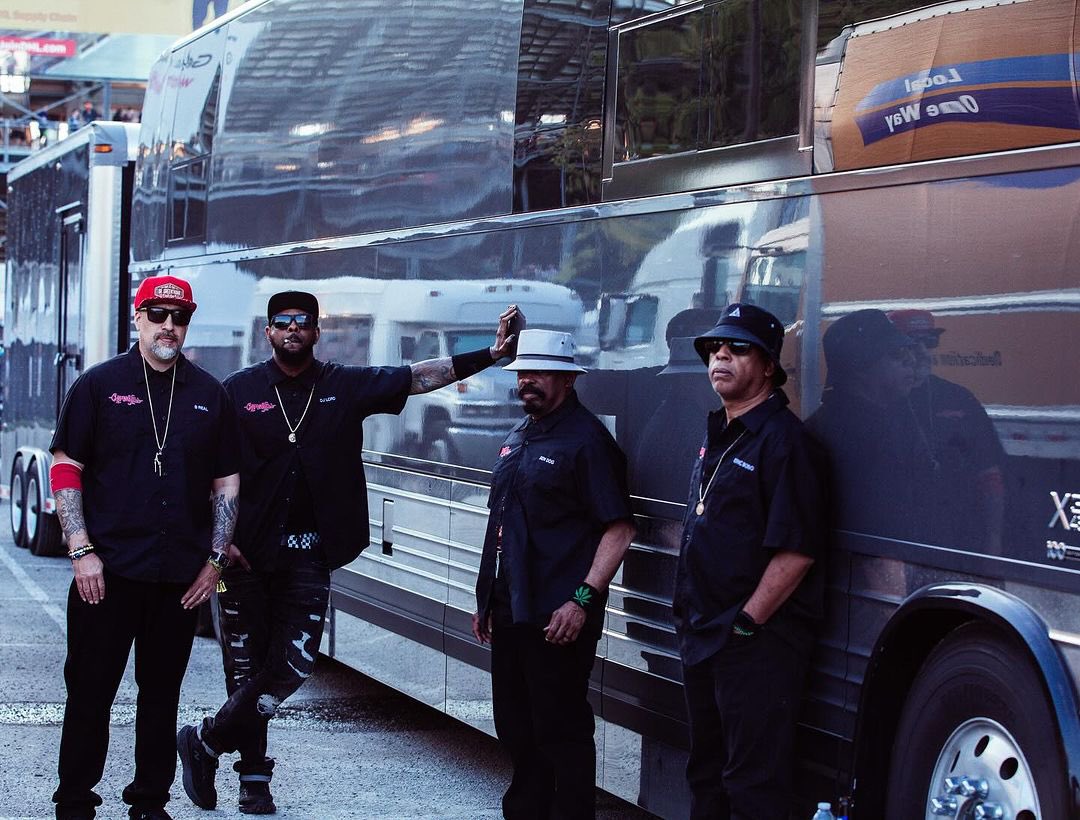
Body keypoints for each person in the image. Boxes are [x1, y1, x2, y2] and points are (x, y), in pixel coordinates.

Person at [176, 291, 521, 815]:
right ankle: (253, 778)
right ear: (268, 332)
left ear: (317, 332)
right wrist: (218, 539)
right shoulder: (238, 391)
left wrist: (490, 356)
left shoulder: (343, 385)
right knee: (244, 670)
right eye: (282, 322)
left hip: (309, 555)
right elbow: (204, 467)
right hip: (244, 558)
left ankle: (204, 740)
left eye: (303, 322)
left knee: (292, 663)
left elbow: (418, 376)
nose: (292, 328)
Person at [49, 275, 241, 820]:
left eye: (179, 318)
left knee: (161, 698)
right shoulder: (99, 385)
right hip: (105, 572)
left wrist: (215, 561)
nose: (169, 326)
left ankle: (150, 802)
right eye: (158, 315)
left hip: (179, 576)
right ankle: (75, 801)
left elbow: (226, 484)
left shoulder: (209, 394)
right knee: (90, 693)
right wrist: (80, 549)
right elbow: (66, 467)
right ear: (138, 318)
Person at [472, 329, 637, 820]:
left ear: (567, 379)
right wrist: (486, 600)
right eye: (523, 372)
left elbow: (620, 528)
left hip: (557, 614)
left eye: (539, 373)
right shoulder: (521, 433)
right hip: (510, 608)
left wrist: (582, 599)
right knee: (515, 724)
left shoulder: (587, 441)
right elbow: (501, 523)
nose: (528, 382)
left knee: (559, 728)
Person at [674, 303, 827, 820]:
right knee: (706, 771)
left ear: (767, 366)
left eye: (738, 347)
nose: (721, 354)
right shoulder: (718, 431)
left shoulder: (787, 441)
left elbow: (797, 550)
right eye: (714, 348)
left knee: (752, 783)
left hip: (753, 642)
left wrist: (745, 625)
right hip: (703, 632)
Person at [807, 308, 934, 541]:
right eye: (897, 355)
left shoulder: (895, 417)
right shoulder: (854, 435)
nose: (911, 361)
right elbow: (880, 536)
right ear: (861, 367)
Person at [887, 309, 1006, 551]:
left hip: (958, 536)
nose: (921, 352)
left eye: (928, 342)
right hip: (901, 541)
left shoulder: (958, 398)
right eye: (909, 343)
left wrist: (994, 542)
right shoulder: (880, 401)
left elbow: (989, 473)